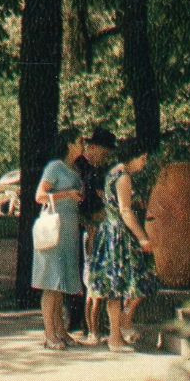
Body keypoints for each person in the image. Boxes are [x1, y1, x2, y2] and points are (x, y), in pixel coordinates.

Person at [85, 141, 160, 352]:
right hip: (120, 235)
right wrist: (143, 237)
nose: (143, 163)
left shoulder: (113, 173)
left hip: (109, 232)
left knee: (116, 287)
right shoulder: (124, 177)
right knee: (132, 281)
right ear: (133, 157)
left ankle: (117, 334)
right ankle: (118, 334)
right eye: (142, 159)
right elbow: (125, 212)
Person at [32, 129, 87, 350]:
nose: (82, 145)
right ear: (69, 144)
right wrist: (67, 195)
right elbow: (40, 196)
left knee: (62, 281)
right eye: (79, 141)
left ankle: (60, 330)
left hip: (69, 230)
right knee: (51, 282)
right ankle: (49, 334)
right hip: (54, 231)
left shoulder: (74, 170)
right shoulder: (55, 167)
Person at [73, 128, 117, 343]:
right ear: (95, 148)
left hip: (94, 227)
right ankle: (84, 324)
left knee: (91, 282)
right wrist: (89, 224)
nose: (105, 157)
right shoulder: (80, 168)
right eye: (105, 152)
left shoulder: (97, 170)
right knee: (87, 280)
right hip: (85, 228)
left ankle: (88, 325)